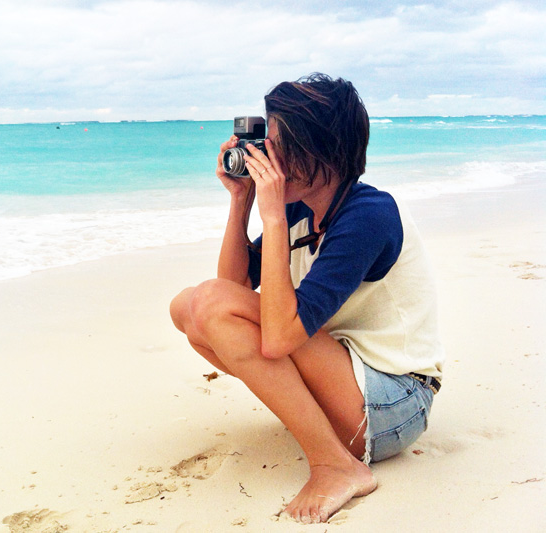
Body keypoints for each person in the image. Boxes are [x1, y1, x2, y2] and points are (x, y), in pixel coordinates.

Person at [169, 73, 444, 524]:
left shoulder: (368, 215)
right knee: (189, 307)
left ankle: (336, 465)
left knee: (213, 304)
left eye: (278, 146)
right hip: (344, 387)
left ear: (321, 151)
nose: (266, 157)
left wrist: (273, 218)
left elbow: (277, 337)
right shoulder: (301, 208)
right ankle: (323, 437)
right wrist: (241, 200)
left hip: (395, 402)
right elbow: (233, 288)